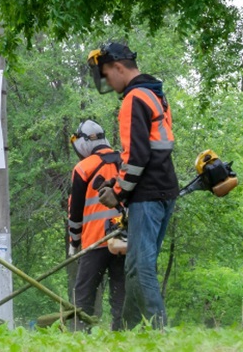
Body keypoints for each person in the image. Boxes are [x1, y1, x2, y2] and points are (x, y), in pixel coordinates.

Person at [87, 42, 178, 330]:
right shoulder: (154, 94)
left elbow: (137, 156)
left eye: (106, 74)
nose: (107, 82)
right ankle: (127, 330)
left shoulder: (133, 99)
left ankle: (160, 332)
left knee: (140, 268)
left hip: (149, 194)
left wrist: (118, 191)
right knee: (133, 267)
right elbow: (149, 152)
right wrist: (119, 181)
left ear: (119, 67)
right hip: (163, 186)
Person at [67, 119, 125, 331]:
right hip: (123, 239)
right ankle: (123, 335)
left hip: (94, 242)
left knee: (84, 295)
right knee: (122, 293)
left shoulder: (83, 168)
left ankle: (80, 335)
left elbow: (75, 213)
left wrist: (74, 242)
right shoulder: (124, 163)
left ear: (83, 142)